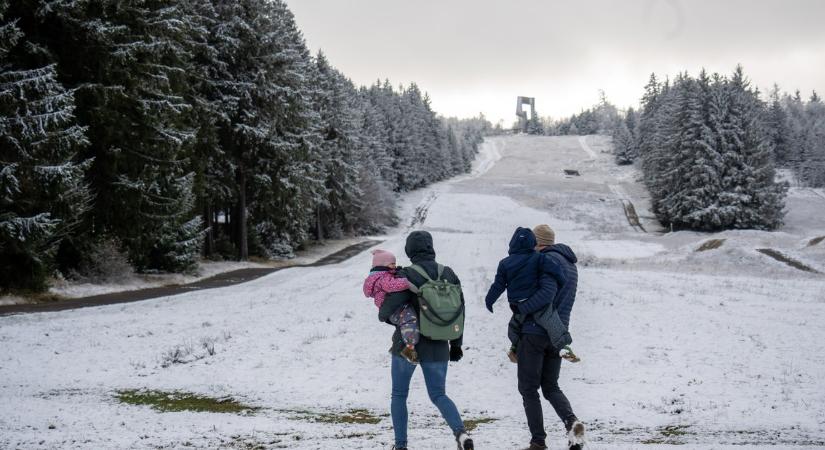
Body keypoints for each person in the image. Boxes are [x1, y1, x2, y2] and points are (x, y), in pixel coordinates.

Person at [378, 231, 474, 450]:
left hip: (407, 344)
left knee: (399, 394)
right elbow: (459, 310)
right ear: (431, 247)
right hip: (439, 342)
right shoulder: (448, 273)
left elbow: (388, 308)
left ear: (409, 250)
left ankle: (400, 445)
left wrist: (385, 316)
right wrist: (456, 344)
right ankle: (461, 434)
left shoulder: (406, 275)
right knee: (439, 394)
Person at [510, 224, 586, 450]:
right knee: (551, 386)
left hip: (534, 332)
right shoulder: (570, 265)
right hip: (557, 334)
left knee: (528, 388)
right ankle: (572, 423)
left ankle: (538, 441)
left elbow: (534, 298)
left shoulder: (542, 262)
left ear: (537, 243)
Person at [484, 227, 567, 363]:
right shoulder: (539, 258)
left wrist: (489, 301)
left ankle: (516, 348)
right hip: (534, 300)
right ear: (533, 243)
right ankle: (564, 346)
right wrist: (562, 281)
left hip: (517, 303)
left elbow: (498, 285)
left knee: (514, 326)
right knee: (551, 321)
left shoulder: (505, 263)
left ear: (512, 244)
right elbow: (555, 269)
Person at [363, 249, 420, 363]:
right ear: (382, 265)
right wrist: (406, 283)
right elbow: (390, 285)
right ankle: (409, 348)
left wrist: (395, 272)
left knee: (401, 324)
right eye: (392, 264)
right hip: (394, 307)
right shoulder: (383, 278)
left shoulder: (376, 276)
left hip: (389, 307)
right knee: (410, 320)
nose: (394, 266)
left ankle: (396, 345)